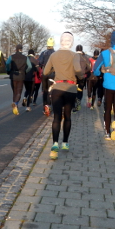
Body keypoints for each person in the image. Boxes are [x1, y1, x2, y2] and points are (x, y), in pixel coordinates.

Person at [42, 32, 83, 160]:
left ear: (61, 41)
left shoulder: (53, 55)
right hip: (70, 88)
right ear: (71, 42)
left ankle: (54, 144)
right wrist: (80, 77)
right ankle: (65, 142)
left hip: (57, 88)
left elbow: (45, 72)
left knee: (57, 117)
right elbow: (77, 70)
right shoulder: (74, 55)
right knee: (68, 116)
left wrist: (56, 70)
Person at [6, 44, 31, 115]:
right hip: (21, 75)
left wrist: (8, 70)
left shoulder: (11, 56)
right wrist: (25, 72)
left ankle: (15, 106)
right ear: (21, 49)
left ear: (16, 49)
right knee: (19, 91)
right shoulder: (25, 58)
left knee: (14, 91)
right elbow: (30, 66)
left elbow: (7, 63)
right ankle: (15, 103)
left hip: (13, 75)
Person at [38, 37, 56, 116]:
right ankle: (49, 106)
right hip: (52, 74)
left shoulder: (43, 53)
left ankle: (44, 107)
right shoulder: (55, 53)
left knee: (44, 90)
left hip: (45, 74)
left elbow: (39, 62)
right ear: (53, 44)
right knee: (50, 90)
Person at [74, 45, 91, 112]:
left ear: (76, 49)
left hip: (74, 76)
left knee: (73, 90)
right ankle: (78, 102)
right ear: (82, 49)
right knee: (80, 90)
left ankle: (73, 103)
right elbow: (89, 68)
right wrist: (84, 72)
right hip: (82, 76)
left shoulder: (73, 56)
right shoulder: (85, 58)